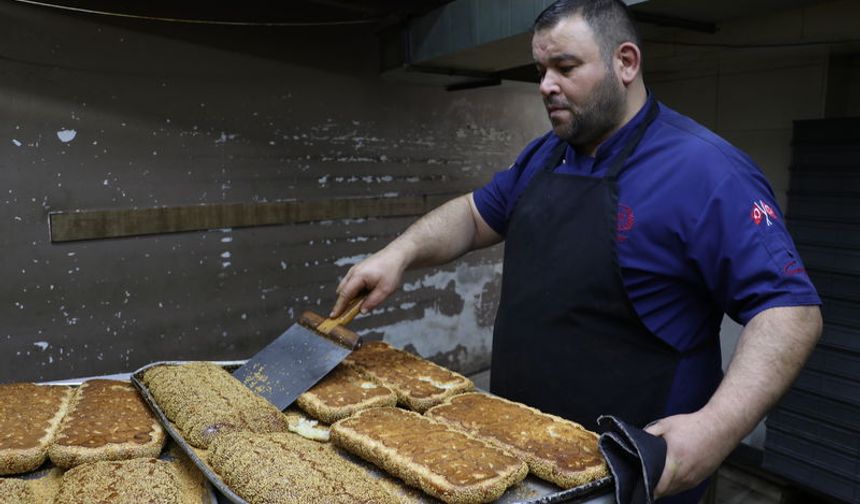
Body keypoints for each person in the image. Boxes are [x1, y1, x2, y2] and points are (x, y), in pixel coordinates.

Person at [330, 0, 823, 502]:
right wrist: (399, 254)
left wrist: (714, 430)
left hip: (630, 475)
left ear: (625, 62)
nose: (546, 85)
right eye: (541, 70)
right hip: (515, 455)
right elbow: (475, 215)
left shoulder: (707, 171)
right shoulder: (544, 155)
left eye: (565, 67)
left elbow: (790, 313)